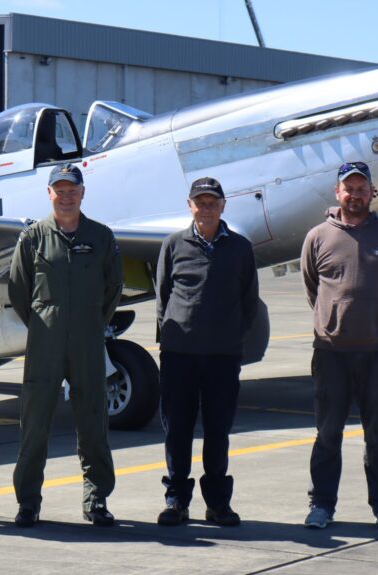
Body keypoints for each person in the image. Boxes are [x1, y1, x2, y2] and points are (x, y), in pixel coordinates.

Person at [8, 163, 123, 527]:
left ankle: (97, 500)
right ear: (49, 193)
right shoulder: (33, 238)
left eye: (72, 188)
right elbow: (18, 289)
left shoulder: (102, 237)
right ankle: (28, 502)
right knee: (35, 423)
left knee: (93, 420)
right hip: (45, 340)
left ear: (82, 192)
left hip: (88, 339)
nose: (66, 195)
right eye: (59, 189)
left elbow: (113, 289)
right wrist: (47, 322)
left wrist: (89, 322)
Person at [300, 161, 378, 530]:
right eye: (349, 188)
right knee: (327, 434)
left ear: (371, 192)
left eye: (362, 188)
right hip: (331, 352)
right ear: (338, 193)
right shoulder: (318, 236)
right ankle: (321, 506)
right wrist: (333, 319)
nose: (355, 194)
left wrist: (376, 320)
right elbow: (312, 287)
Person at [154, 177, 259, 527]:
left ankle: (217, 503)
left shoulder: (241, 248)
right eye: (200, 201)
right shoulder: (173, 244)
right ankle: (176, 502)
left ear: (223, 205)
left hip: (222, 357)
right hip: (179, 356)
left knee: (218, 430)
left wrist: (228, 337)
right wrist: (171, 340)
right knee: (177, 431)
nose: (206, 207)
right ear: (190, 205)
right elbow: (163, 296)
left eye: (212, 201)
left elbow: (249, 301)